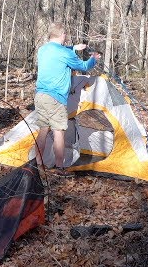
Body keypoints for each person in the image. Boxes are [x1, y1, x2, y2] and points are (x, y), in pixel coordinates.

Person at [34, 23, 100, 172]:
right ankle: (60, 167)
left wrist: (74, 47)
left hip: (40, 96)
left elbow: (58, 50)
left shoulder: (42, 50)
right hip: (56, 98)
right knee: (59, 133)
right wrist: (94, 59)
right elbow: (83, 66)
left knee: (43, 131)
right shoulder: (65, 53)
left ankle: (37, 164)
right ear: (62, 35)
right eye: (65, 35)